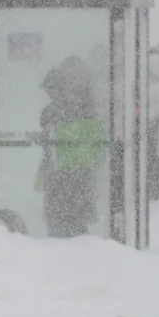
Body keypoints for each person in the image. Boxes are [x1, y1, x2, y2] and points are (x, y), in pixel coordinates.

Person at [37, 56, 107, 237]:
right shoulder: (85, 108)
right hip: (69, 173)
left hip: (69, 173)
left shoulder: (73, 110)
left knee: (67, 219)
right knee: (70, 219)